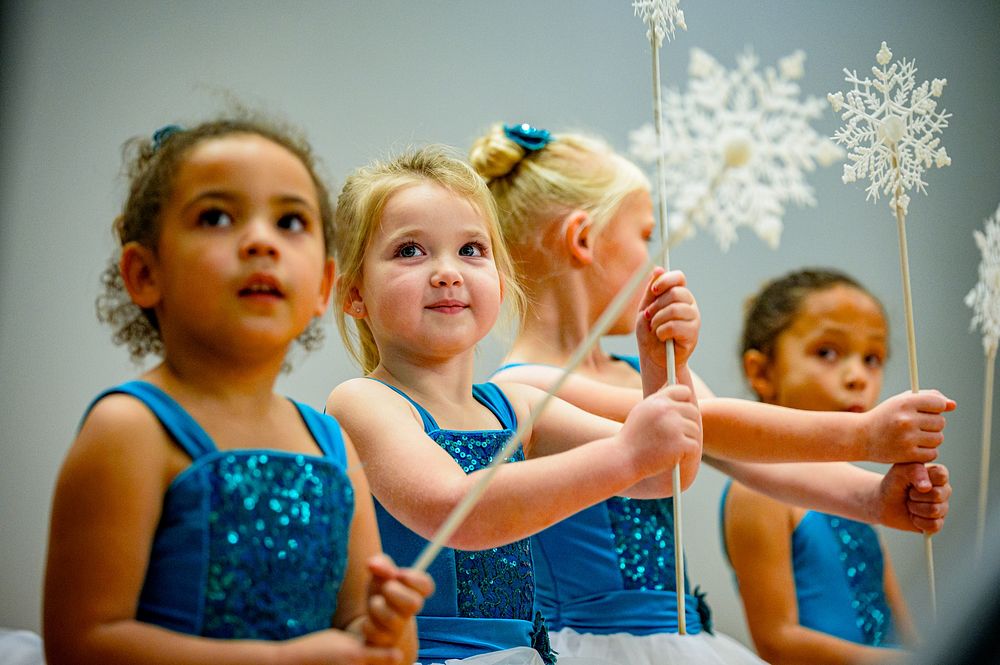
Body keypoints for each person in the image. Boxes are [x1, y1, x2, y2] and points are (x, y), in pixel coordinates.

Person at [474, 122, 953, 664]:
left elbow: (745, 452)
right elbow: (715, 426)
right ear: (584, 239)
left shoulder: (640, 370)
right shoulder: (523, 386)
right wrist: (866, 435)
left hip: (678, 640)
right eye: (646, 235)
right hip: (591, 647)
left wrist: (871, 501)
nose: (656, 260)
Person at [43, 118, 433, 665]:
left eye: (290, 221)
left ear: (323, 287)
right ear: (143, 274)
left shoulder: (333, 447)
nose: (261, 242)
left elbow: (360, 627)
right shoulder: (129, 430)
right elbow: (82, 645)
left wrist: (384, 628)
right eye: (217, 217)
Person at [324, 145, 703, 665]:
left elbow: (665, 476)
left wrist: (664, 367)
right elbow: (457, 512)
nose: (446, 273)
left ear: (502, 281)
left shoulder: (518, 405)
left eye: (472, 250)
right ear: (354, 294)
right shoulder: (364, 402)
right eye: (410, 250)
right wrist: (625, 454)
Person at [721, 268, 921, 664]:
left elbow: (897, 616)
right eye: (828, 353)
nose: (856, 377)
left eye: (872, 358)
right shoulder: (759, 490)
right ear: (761, 372)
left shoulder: (858, 488)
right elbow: (777, 639)